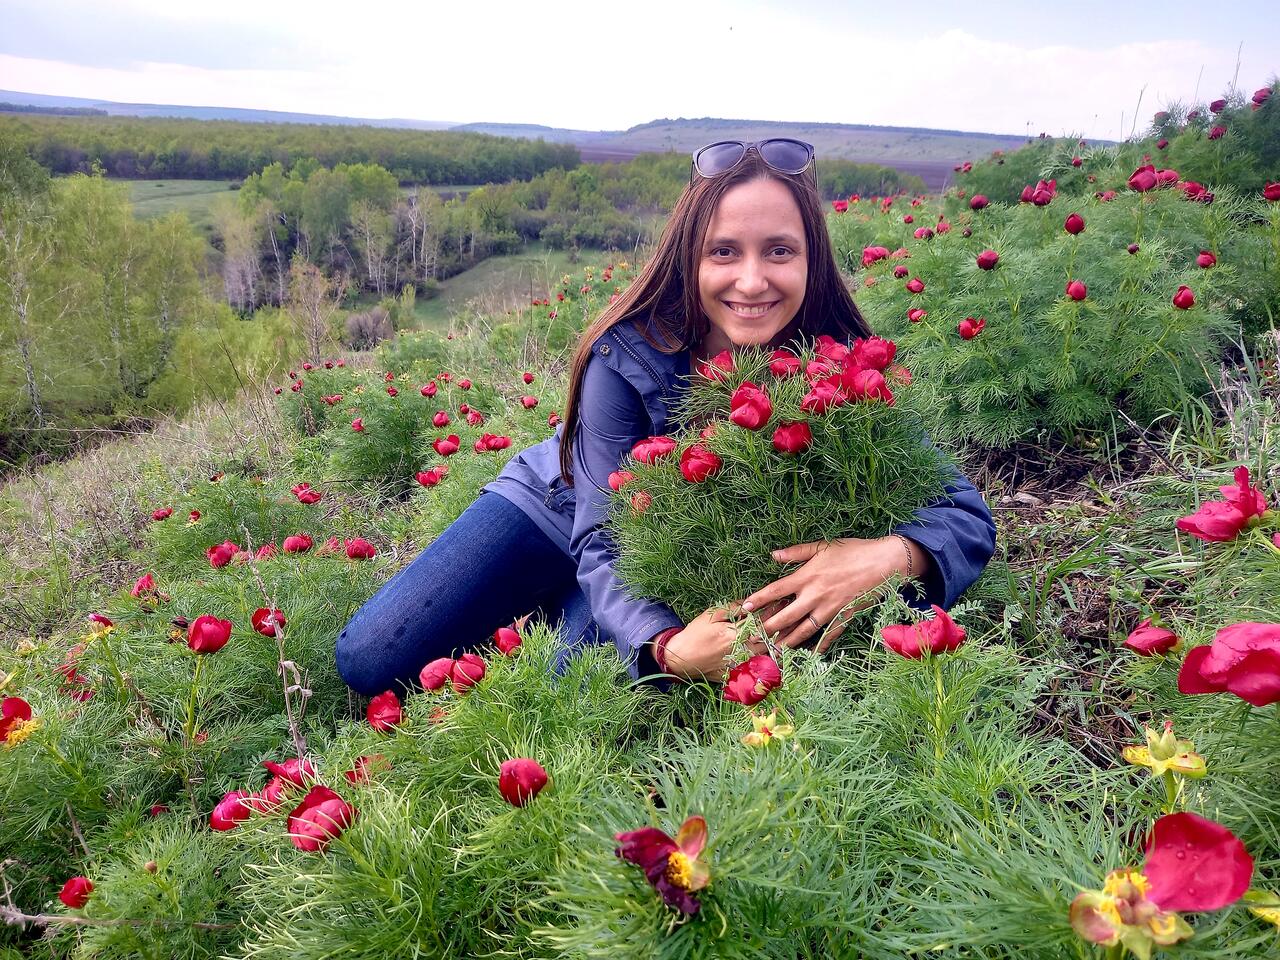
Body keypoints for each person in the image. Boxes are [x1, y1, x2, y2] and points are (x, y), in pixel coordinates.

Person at [335, 138, 996, 696]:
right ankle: (540, 590)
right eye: (724, 252)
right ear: (691, 255)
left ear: (811, 258)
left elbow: (964, 513)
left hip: (663, 551)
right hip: (562, 504)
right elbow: (601, 534)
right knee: (368, 659)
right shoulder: (628, 351)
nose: (752, 281)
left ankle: (557, 611)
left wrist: (891, 556)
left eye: (779, 251)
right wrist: (667, 648)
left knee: (572, 683)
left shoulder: (840, 364)